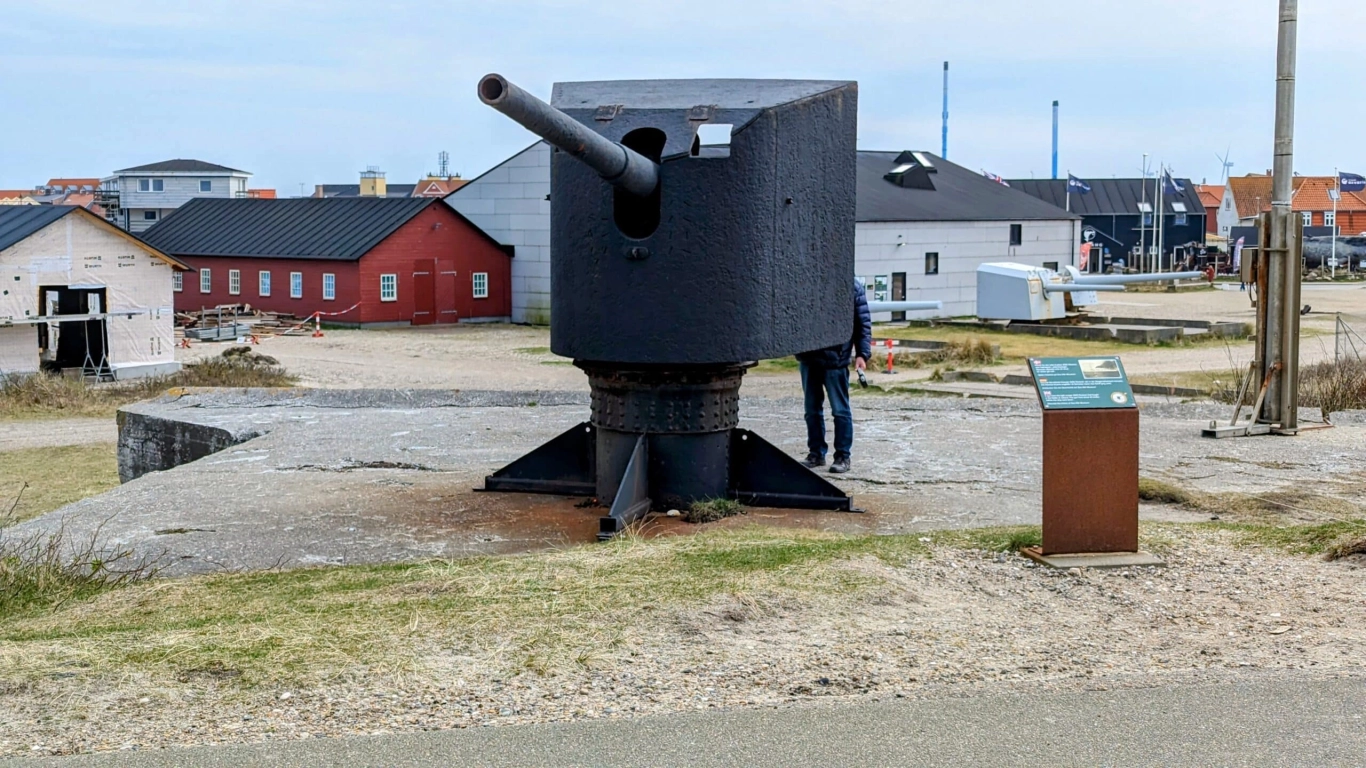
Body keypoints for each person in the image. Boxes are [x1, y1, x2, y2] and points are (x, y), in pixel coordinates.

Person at [796, 279, 872, 474]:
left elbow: (861, 322)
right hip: (811, 357)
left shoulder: (851, 286)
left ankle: (842, 456)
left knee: (839, 410)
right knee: (812, 410)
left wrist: (862, 354)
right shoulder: (809, 281)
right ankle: (817, 453)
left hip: (834, 359)